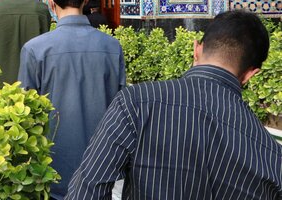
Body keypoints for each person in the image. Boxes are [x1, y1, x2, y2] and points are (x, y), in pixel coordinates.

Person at [67, 10, 282, 200]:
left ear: (196, 49)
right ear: (251, 74)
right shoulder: (270, 155)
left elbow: (86, 191)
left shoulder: (136, 103)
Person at [18, 0, 125, 200]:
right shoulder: (112, 47)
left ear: (49, 1)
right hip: (101, 166)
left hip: (51, 167)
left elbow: (26, 114)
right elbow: (121, 110)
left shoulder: (35, 50)